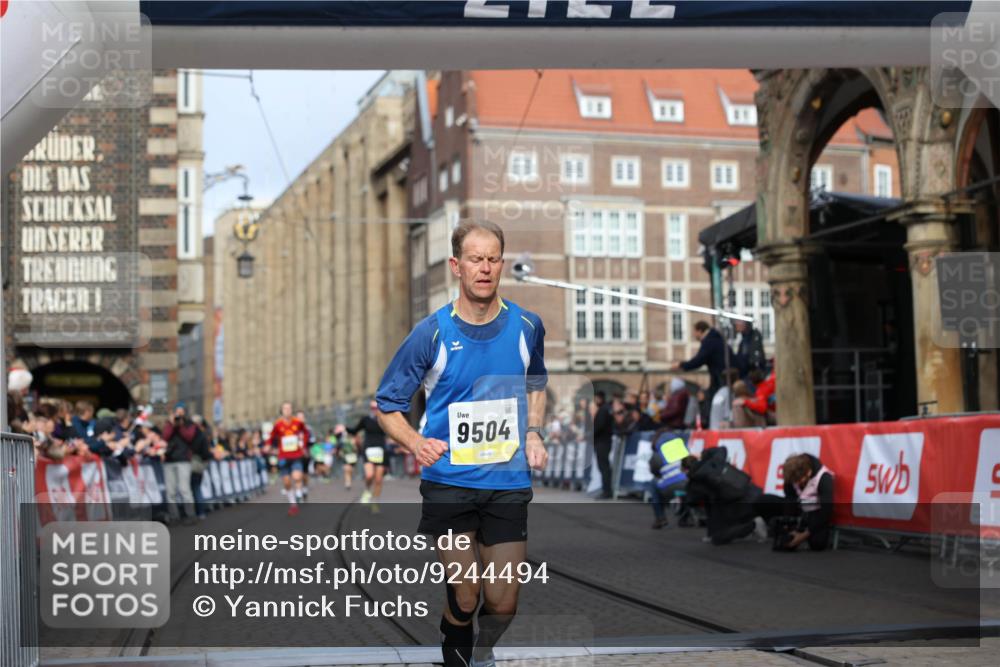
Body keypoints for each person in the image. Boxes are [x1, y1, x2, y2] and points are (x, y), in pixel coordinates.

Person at [375, 220, 548, 667]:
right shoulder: (430, 334)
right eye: (475, 259)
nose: (485, 268)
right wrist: (415, 442)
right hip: (449, 479)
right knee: (467, 594)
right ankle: (455, 654)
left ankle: (484, 651)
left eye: (493, 259)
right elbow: (386, 404)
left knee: (503, 601)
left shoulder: (528, 326)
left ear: (501, 265)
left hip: (507, 480)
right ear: (456, 265)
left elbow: (536, 383)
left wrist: (533, 432)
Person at [160, 402, 207, 524]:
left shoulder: (189, 424)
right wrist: (171, 424)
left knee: (184, 489)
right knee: (170, 491)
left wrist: (180, 425)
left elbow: (189, 437)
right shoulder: (169, 424)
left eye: (181, 411)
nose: (179, 413)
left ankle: (190, 515)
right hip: (169, 459)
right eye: (177, 411)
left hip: (183, 460)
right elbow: (165, 437)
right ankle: (174, 516)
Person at [777, 453, 834, 551]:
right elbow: (789, 500)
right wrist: (788, 525)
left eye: (798, 481)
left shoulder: (824, 478)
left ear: (808, 473)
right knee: (764, 501)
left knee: (818, 544)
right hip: (799, 509)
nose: (796, 483)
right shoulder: (792, 478)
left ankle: (805, 536)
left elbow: (826, 512)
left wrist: (803, 535)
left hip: (816, 512)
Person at [266, 401, 310, 516]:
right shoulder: (278, 424)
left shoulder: (297, 422)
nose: (287, 411)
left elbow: (305, 433)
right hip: (283, 456)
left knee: (297, 476)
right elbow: (271, 437)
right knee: (286, 482)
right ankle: (293, 504)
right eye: (285, 409)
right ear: (281, 411)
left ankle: (299, 494)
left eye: (289, 408)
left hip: (296, 455)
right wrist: (268, 445)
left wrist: (304, 446)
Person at [671, 321, 733, 402]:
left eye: (694, 332)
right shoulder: (714, 338)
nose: (694, 334)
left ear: (700, 331)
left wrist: (681, 365)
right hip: (722, 376)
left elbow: (698, 360)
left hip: (721, 377)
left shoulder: (709, 341)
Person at [344, 400, 390, 506]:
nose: (374, 410)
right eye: (372, 408)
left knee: (378, 480)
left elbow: (393, 432)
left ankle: (375, 502)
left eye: (376, 408)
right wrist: (345, 428)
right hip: (368, 449)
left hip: (381, 451)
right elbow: (355, 431)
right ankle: (367, 490)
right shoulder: (365, 420)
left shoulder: (384, 420)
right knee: (369, 475)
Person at [647, 430, 688, 529]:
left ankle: (660, 518)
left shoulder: (658, 451)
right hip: (686, 488)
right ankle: (685, 518)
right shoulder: (682, 446)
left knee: (653, 483)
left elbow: (654, 470)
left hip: (669, 489)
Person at [591, 391, 614, 500]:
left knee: (604, 467)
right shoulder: (605, 409)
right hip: (603, 441)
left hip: (603, 442)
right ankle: (606, 489)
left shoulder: (604, 410)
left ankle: (607, 491)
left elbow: (599, 426)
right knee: (603, 467)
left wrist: (591, 433)